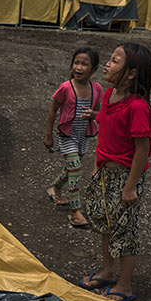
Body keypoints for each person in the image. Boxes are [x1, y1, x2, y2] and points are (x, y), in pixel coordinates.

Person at [78, 43, 151, 301]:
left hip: (125, 177)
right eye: (110, 59)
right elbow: (109, 128)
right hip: (104, 174)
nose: (108, 64)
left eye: (114, 60)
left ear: (131, 73)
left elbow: (142, 149)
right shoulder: (110, 95)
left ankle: (124, 285)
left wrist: (130, 186)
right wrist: (96, 166)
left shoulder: (138, 107)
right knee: (106, 225)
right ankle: (108, 271)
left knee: (125, 231)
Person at [44, 47, 103, 227]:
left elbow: (99, 112)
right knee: (76, 168)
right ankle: (75, 212)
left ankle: (54, 188)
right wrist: (48, 136)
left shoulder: (97, 89)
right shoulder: (65, 87)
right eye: (76, 63)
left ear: (93, 69)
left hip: (83, 136)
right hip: (67, 136)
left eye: (84, 64)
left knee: (71, 169)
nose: (78, 67)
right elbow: (53, 110)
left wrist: (93, 115)